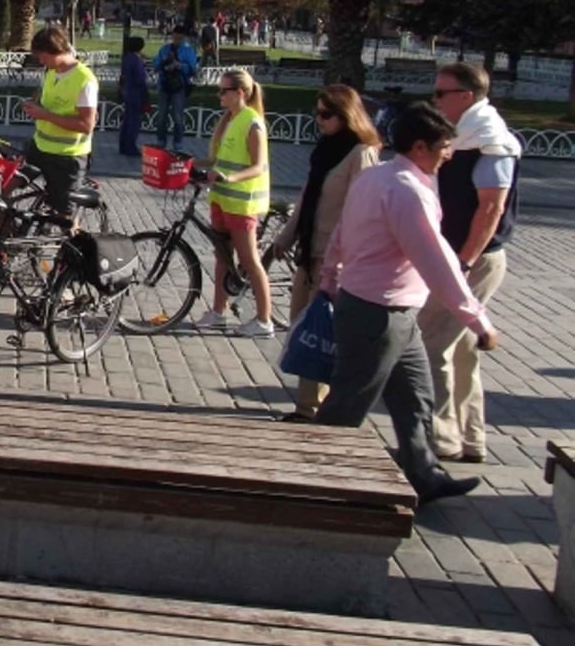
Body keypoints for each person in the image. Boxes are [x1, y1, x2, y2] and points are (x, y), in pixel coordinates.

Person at [317, 103, 499, 504]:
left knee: (416, 396)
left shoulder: (376, 178)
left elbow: (341, 234)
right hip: (377, 314)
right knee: (348, 403)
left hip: (390, 311)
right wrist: (477, 320)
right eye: (444, 147)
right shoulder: (406, 190)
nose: (448, 155)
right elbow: (436, 261)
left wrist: (331, 277)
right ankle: (310, 479)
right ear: (420, 147)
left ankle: (423, 474)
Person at [418, 63, 521, 464]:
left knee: (432, 345)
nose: (435, 100)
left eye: (441, 94)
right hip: (460, 256)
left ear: (466, 96)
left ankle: (440, 441)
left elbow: (491, 207)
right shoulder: (466, 137)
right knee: (461, 350)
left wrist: (464, 261)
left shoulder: (492, 142)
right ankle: (470, 439)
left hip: (473, 260)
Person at [271, 85, 380, 420]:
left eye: (326, 114)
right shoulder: (325, 149)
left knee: (326, 332)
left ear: (347, 115)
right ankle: (307, 405)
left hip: (336, 257)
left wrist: (345, 256)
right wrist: (284, 238)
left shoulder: (361, 152)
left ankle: (320, 406)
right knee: (305, 326)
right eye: (316, 113)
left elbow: (363, 209)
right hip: (309, 249)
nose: (319, 120)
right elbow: (308, 196)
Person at [194, 69, 273, 336]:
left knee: (250, 260)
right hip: (222, 198)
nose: (219, 95)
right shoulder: (229, 120)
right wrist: (191, 163)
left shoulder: (253, 123)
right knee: (222, 257)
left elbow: (258, 166)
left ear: (240, 93)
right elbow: (219, 161)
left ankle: (264, 320)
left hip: (242, 202)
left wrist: (230, 177)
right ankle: (218, 312)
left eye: (224, 90)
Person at [22, 25, 97, 217]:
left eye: (42, 56)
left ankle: (74, 243)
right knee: (6, 188)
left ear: (56, 51)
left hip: (68, 158)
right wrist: (34, 104)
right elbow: (45, 98)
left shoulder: (84, 79)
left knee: (65, 217)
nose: (40, 61)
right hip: (40, 148)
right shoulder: (51, 71)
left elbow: (86, 125)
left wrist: (45, 115)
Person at [151, 26, 198, 152]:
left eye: (179, 37)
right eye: (175, 36)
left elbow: (193, 69)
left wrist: (180, 66)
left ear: (183, 37)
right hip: (164, 85)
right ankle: (161, 141)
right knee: (162, 116)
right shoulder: (165, 49)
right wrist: (165, 65)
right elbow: (155, 66)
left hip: (179, 87)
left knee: (178, 117)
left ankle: (178, 143)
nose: (177, 39)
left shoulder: (188, 51)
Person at [117, 36, 149, 157]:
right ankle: (131, 146)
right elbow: (140, 79)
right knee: (134, 121)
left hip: (127, 91)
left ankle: (123, 145)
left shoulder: (126, 58)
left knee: (126, 120)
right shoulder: (137, 61)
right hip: (136, 93)